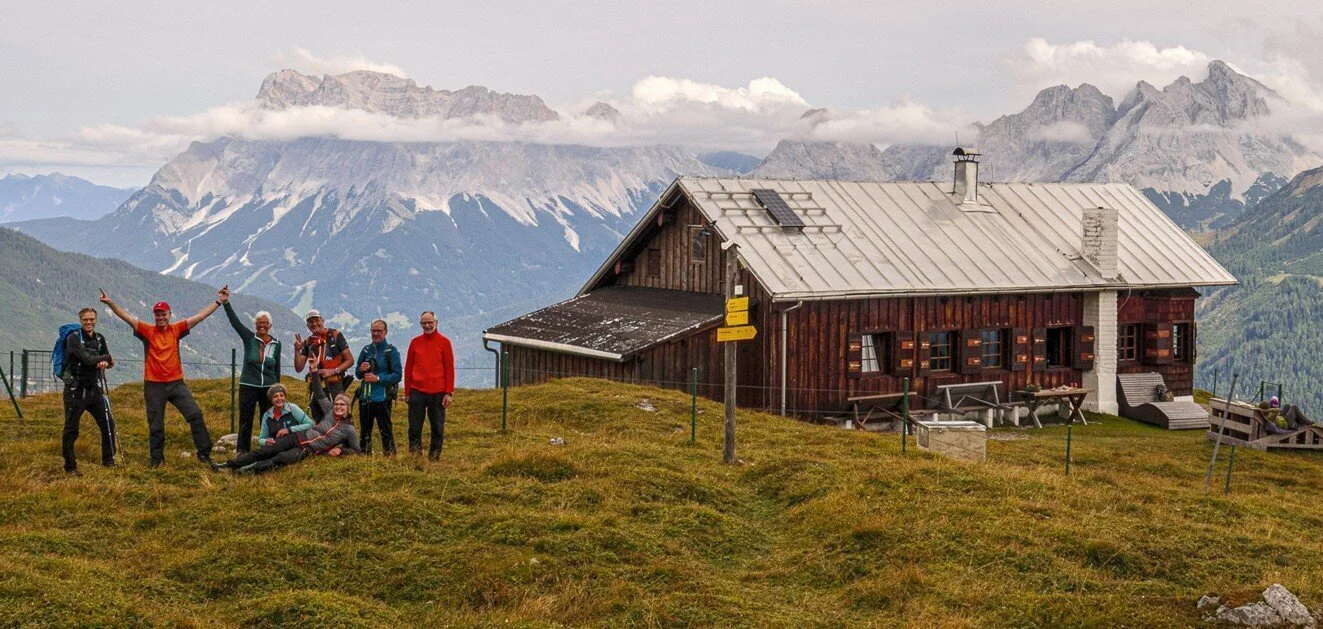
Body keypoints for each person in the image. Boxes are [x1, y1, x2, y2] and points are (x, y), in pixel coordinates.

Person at [100, 287, 226, 467]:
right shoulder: (147, 331)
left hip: (176, 384)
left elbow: (200, 317)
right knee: (156, 425)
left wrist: (219, 302)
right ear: (154, 316)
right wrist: (110, 302)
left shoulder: (177, 330)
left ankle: (204, 454)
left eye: (163, 314)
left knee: (195, 415)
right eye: (157, 315)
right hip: (154, 386)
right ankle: (157, 460)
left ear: (169, 314)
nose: (160, 318)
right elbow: (126, 316)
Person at [213, 359, 360, 474]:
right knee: (266, 451)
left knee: (280, 459)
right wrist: (314, 371)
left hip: (309, 450)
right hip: (298, 436)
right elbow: (319, 392)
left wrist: (341, 450)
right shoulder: (329, 410)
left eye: (342, 405)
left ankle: (247, 470)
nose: (338, 407)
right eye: (337, 404)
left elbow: (357, 450)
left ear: (348, 408)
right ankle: (228, 465)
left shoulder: (349, 429)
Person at [222, 294, 282, 454]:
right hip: (248, 385)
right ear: (255, 325)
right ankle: (242, 451)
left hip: (269, 388)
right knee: (245, 420)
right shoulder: (249, 338)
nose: (262, 326)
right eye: (259, 323)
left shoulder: (276, 344)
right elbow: (235, 322)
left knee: (268, 419)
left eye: (265, 323)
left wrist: (278, 389)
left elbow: (277, 368)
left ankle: (267, 449)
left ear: (270, 325)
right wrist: (226, 302)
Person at [61, 307, 115, 474]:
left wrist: (106, 362)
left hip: (94, 389)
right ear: (80, 320)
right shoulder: (73, 339)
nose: (89, 322)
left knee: (108, 424)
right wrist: (104, 359)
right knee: (71, 429)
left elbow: (110, 360)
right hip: (75, 390)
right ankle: (70, 467)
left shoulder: (100, 338)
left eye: (92, 319)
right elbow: (87, 359)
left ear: (96, 320)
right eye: (85, 319)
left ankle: (109, 461)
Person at [404, 311, 454, 460]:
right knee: (414, 427)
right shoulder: (415, 342)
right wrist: (407, 392)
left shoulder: (445, 342)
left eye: (429, 322)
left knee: (437, 427)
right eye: (424, 323)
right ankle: (415, 456)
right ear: (420, 324)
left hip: (438, 392)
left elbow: (449, 368)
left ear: (436, 322)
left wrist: (448, 392)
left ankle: (434, 457)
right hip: (417, 391)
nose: (427, 325)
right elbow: (408, 368)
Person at [293, 309, 353, 422]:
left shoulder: (335, 335)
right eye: (311, 322)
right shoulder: (308, 342)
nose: (314, 324)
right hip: (316, 385)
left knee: (338, 416)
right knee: (318, 417)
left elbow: (350, 360)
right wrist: (297, 350)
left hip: (335, 384)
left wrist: (333, 371)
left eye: (317, 320)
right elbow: (299, 367)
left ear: (323, 321)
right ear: (307, 325)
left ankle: (340, 439)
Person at [355, 319, 402, 455]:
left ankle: (390, 456)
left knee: (385, 429)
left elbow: (397, 375)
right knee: (365, 430)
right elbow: (358, 374)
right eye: (373, 331)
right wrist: (361, 369)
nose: (376, 334)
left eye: (379, 331)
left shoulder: (391, 351)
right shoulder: (366, 349)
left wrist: (379, 379)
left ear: (385, 332)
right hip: (365, 397)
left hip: (382, 397)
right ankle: (364, 456)